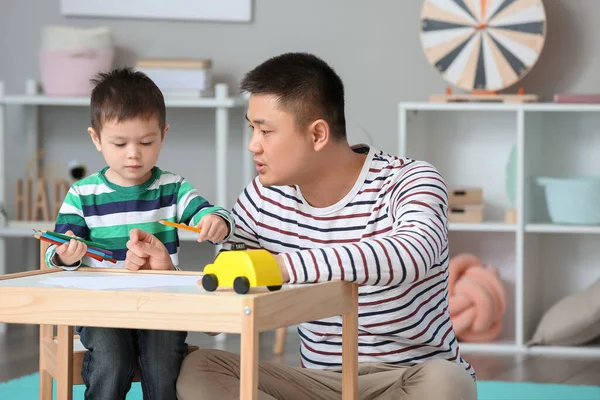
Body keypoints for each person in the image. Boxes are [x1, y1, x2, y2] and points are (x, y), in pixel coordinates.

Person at [126, 52, 477, 400]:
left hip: (408, 377)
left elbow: (412, 252)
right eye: (252, 128)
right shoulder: (263, 198)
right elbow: (225, 316)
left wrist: (278, 267)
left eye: (265, 131)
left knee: (449, 383)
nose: (253, 145)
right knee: (200, 369)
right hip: (319, 384)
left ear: (318, 134)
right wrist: (170, 276)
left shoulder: (410, 180)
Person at [45, 67, 235, 400]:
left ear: (163, 133)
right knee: (110, 361)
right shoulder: (82, 194)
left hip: (161, 305)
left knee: (163, 366)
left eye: (146, 142)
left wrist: (215, 220)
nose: (133, 153)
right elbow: (55, 248)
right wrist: (65, 255)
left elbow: (208, 212)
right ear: (96, 138)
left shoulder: (172, 187)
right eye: (119, 143)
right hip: (101, 308)